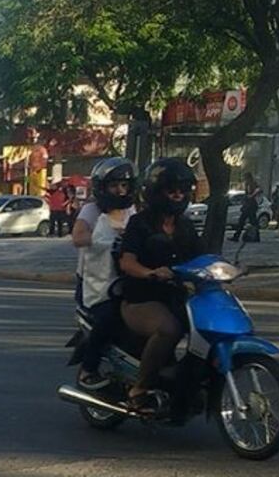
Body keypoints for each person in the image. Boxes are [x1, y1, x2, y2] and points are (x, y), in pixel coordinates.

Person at [118, 158, 204, 410]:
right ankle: (140, 387)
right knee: (169, 329)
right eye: (172, 190)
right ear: (157, 192)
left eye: (183, 190)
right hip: (140, 298)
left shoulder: (186, 227)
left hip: (174, 296)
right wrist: (150, 273)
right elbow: (127, 262)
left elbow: (202, 257)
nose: (178, 195)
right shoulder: (140, 224)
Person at [71, 157, 137, 390]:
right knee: (109, 318)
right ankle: (88, 369)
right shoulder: (92, 210)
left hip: (124, 278)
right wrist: (102, 238)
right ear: (102, 187)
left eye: (124, 186)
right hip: (94, 285)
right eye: (114, 185)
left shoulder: (131, 211)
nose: (120, 191)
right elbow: (78, 237)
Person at [230, 171, 263, 242]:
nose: (244, 179)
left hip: (250, 206)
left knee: (245, 221)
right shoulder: (248, 184)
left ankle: (237, 236)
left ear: (248, 178)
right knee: (250, 221)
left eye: (245, 177)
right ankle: (255, 237)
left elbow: (258, 190)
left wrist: (251, 196)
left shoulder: (251, 183)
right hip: (249, 206)